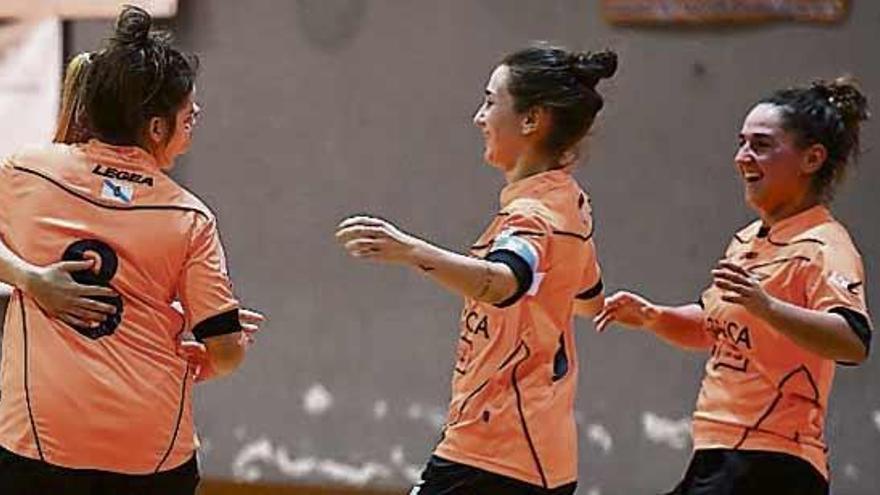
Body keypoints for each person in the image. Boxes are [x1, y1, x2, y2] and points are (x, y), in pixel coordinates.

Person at [336, 44, 616, 494]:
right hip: (534, 451)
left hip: (497, 450)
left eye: (490, 101)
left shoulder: (533, 214)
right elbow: (589, 301)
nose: (479, 118)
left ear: (531, 119)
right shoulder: (570, 203)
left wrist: (409, 250)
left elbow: (504, 282)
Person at [0, 6, 253, 494]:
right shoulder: (188, 217)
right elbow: (225, 349)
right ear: (156, 128)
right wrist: (209, 348)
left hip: (39, 440)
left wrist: (28, 278)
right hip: (149, 452)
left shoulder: (27, 173)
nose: (195, 120)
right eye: (188, 114)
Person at [595, 78, 872, 495]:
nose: (743, 157)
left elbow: (852, 340)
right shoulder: (747, 240)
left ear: (812, 158)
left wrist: (768, 308)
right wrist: (654, 316)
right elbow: (713, 326)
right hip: (718, 452)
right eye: (741, 143)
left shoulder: (824, 246)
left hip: (772, 463)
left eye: (761, 145)